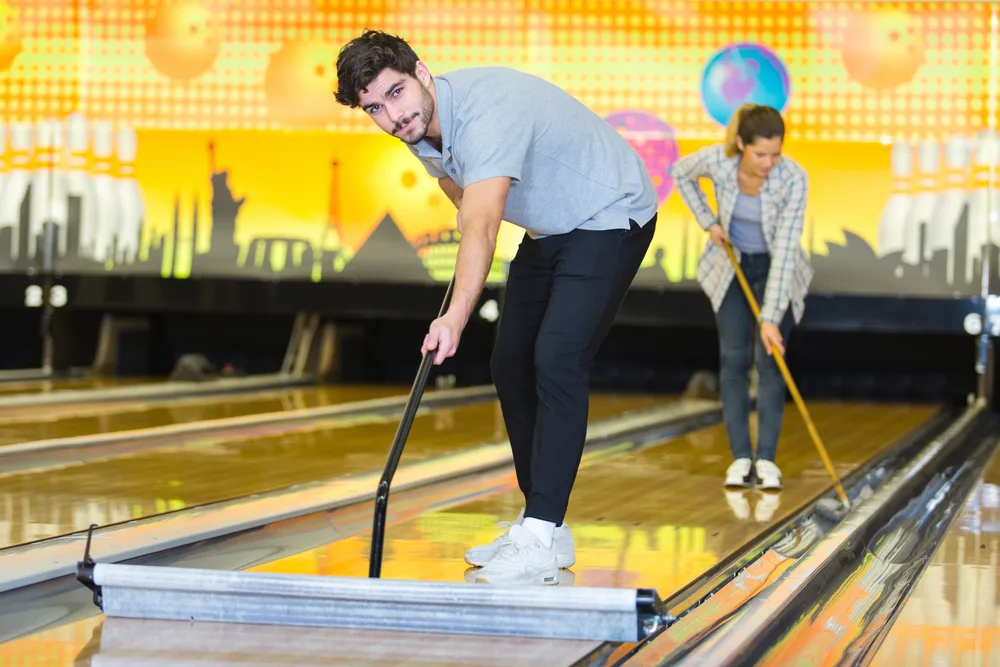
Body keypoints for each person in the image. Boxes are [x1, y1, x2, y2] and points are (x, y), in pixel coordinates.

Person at [335, 30, 658, 586]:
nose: (391, 116)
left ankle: (537, 530)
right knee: (510, 361)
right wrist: (468, 255)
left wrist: (454, 316)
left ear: (423, 73)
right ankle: (547, 531)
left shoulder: (489, 110)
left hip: (609, 211)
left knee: (557, 358)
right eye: (373, 109)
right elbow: (465, 204)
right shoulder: (418, 129)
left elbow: (483, 224)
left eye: (395, 93)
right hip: (552, 225)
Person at [670, 103, 812, 492]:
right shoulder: (718, 161)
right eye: (760, 154)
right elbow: (680, 173)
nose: (769, 163)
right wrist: (709, 222)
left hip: (775, 270)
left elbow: (785, 247)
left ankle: (765, 460)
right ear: (740, 144)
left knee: (770, 359)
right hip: (730, 267)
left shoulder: (793, 178)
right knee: (733, 358)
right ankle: (739, 460)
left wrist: (770, 317)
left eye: (775, 154)